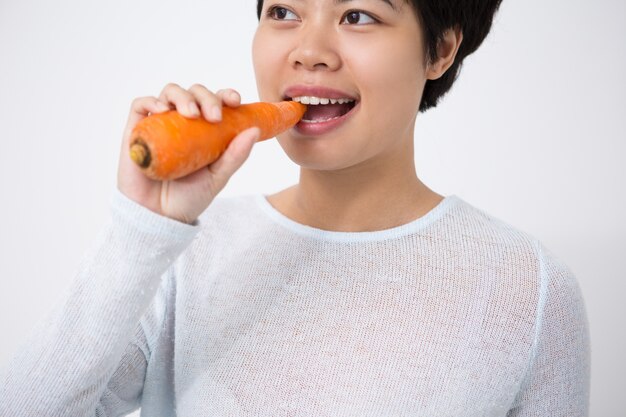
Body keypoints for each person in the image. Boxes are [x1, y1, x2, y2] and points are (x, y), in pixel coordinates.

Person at [0, 0, 590, 416]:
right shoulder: (185, 251)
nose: (309, 51)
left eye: (358, 15)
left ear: (440, 49)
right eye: (283, 11)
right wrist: (143, 227)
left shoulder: (528, 289)